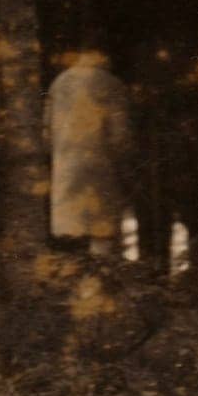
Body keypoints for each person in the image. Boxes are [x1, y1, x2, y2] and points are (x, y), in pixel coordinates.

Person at [44, 44, 133, 258]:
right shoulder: (111, 84)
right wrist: (124, 163)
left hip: (65, 167)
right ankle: (98, 280)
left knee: (69, 234)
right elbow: (120, 136)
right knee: (101, 235)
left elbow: (46, 132)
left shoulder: (59, 83)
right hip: (100, 168)